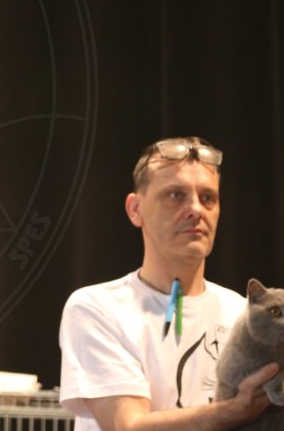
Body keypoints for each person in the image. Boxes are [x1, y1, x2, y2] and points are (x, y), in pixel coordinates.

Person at [58, 136, 280, 430]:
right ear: (135, 209)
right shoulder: (97, 308)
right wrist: (235, 411)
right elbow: (128, 426)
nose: (196, 209)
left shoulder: (244, 313)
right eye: (175, 195)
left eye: (208, 198)